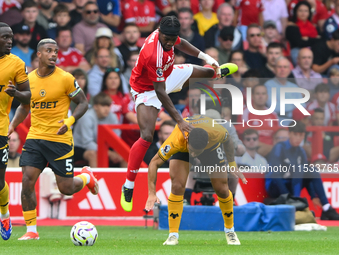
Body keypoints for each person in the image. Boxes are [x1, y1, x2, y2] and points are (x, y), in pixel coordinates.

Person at [120, 16, 238, 212]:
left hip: (167, 74)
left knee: (209, 73)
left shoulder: (169, 36)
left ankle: (216, 70)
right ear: (159, 32)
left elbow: (180, 43)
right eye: (166, 39)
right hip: (147, 90)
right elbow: (160, 92)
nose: (169, 42)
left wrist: (205, 56)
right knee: (147, 136)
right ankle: (128, 185)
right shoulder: (153, 55)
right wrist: (180, 121)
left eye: (171, 38)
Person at [8, 38, 98, 240]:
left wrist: (70, 119)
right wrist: (13, 125)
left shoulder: (65, 78)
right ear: (38, 54)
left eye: (56, 51)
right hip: (35, 137)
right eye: (49, 51)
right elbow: (24, 106)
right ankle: (31, 231)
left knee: (66, 189)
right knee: (27, 181)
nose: (54, 54)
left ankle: (86, 177)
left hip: (60, 139)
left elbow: (83, 103)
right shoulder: (28, 79)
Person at [145, 115, 247, 245]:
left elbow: (228, 141)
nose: (194, 156)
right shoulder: (176, 140)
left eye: (197, 152)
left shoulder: (217, 132)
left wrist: (232, 165)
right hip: (183, 148)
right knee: (177, 186)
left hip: (211, 148)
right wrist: (151, 193)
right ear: (187, 140)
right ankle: (173, 235)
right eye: (193, 151)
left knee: (222, 189)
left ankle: (230, 231)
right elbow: (154, 163)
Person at [266, 121, 339, 220]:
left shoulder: (301, 151)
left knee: (312, 170)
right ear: (289, 133)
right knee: (299, 168)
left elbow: (307, 175)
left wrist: (313, 196)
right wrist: (287, 196)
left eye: (300, 135)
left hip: (292, 185)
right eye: (295, 135)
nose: (298, 138)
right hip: (276, 186)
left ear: (303, 136)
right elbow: (275, 174)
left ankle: (326, 207)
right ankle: (296, 203)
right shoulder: (279, 148)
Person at [0, 22, 31, 241]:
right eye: (5, 37)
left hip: (0, 127)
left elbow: (28, 96)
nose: (10, 40)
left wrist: (16, 94)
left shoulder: (16, 64)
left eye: (11, 37)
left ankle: (5, 214)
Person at [73, 92, 120, 167]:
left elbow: (116, 138)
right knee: (93, 154)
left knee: (125, 154)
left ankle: (128, 179)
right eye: (103, 105)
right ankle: (96, 178)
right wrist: (109, 153)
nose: (106, 109)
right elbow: (87, 143)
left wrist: (116, 152)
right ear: (95, 106)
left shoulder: (113, 117)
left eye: (108, 106)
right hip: (80, 148)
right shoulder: (87, 117)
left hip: (104, 147)